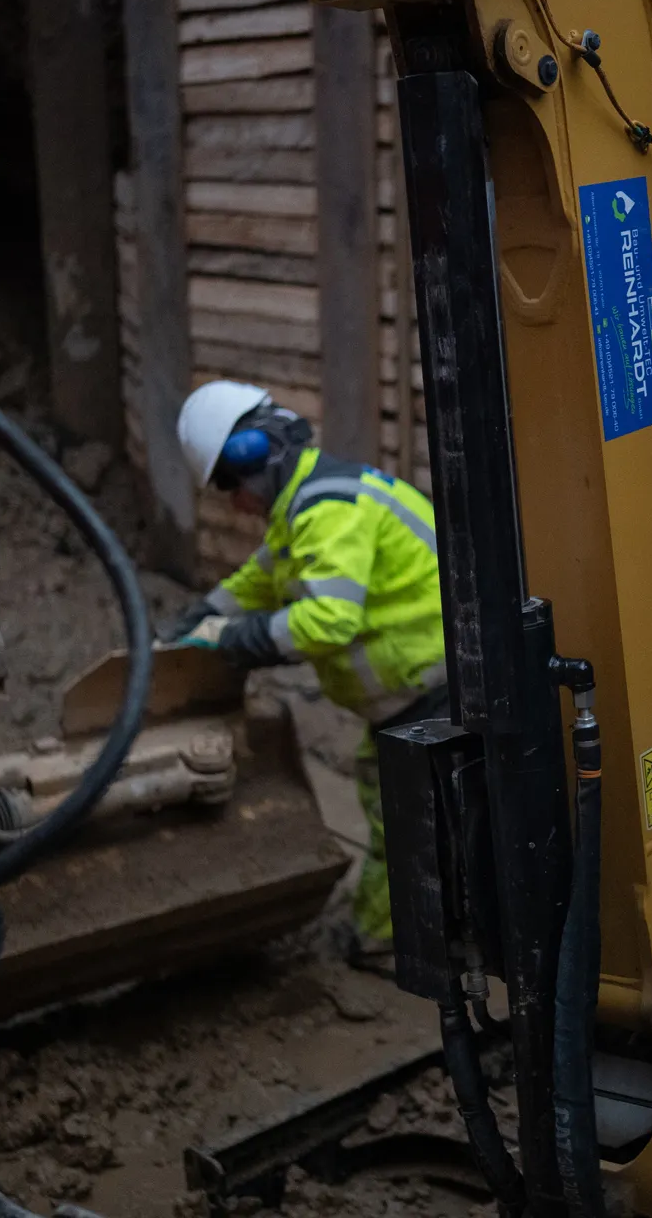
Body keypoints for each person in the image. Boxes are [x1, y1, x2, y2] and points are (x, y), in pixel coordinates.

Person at [167, 380, 446, 957]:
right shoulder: (308, 508)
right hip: (419, 691)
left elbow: (329, 621)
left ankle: (381, 940)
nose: (232, 503)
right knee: (405, 808)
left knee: (407, 819)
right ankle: (407, 921)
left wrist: (232, 642)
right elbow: (254, 583)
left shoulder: (328, 509)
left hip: (440, 689)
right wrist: (190, 626)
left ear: (252, 455)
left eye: (227, 484)